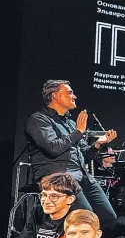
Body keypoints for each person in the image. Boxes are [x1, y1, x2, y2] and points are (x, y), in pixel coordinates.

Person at [24, 80, 117, 227]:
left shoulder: (71, 124)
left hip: (81, 177)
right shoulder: (39, 120)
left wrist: (98, 144)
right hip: (57, 177)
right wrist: (78, 132)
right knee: (84, 217)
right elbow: (53, 148)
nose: (74, 96)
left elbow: (84, 155)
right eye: (70, 92)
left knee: (108, 217)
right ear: (54, 95)